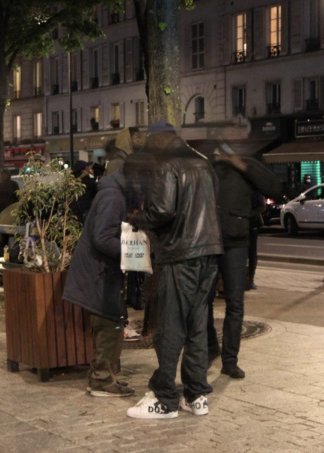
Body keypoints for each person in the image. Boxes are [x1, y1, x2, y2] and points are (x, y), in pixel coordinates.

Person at [126, 121, 223, 420]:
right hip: (209, 252)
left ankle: (164, 398)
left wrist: (138, 218)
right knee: (197, 326)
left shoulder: (167, 164)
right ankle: (196, 396)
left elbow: (163, 210)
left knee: (170, 326)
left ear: (158, 140)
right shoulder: (202, 162)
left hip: (181, 254)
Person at [207, 148, 282, 379]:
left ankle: (229, 360)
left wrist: (245, 166)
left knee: (235, 303)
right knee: (202, 302)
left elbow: (274, 188)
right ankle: (210, 347)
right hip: (207, 241)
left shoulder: (245, 165)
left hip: (236, 242)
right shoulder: (206, 163)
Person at [63, 169, 135, 398]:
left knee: (114, 322)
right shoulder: (113, 196)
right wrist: (133, 253)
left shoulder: (115, 193)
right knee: (107, 322)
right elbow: (102, 238)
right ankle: (101, 380)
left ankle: (105, 375)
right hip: (97, 273)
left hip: (102, 271)